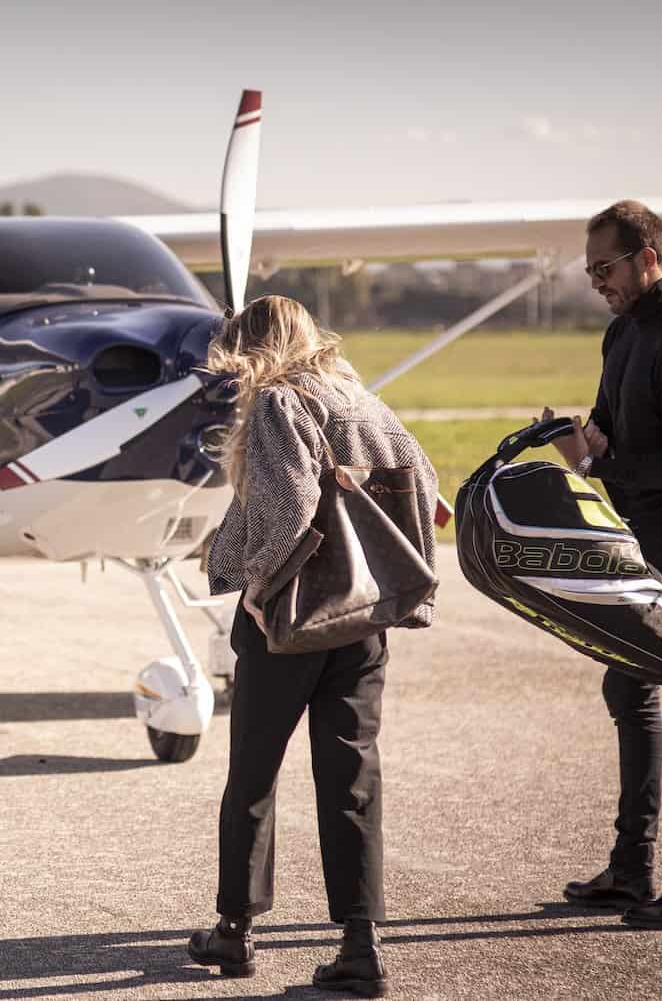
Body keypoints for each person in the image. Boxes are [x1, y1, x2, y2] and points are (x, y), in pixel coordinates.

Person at [187, 295, 437, 996]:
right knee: (352, 776)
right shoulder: (361, 398)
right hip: (360, 617)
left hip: (291, 620)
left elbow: (292, 506)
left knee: (254, 774)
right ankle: (361, 944)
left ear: (253, 348)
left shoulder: (279, 402)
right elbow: (424, 480)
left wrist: (260, 588)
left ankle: (235, 930)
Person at [547, 200, 662, 930]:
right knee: (628, 691)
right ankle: (632, 868)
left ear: (648, 257)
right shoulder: (623, 331)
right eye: (589, 269)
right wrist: (583, 441)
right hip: (633, 538)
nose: (597, 281)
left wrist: (601, 461)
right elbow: (608, 430)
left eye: (606, 267)